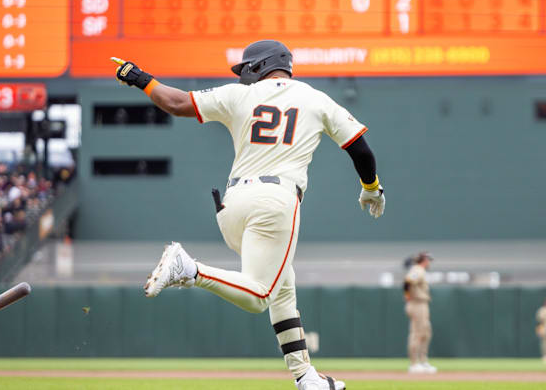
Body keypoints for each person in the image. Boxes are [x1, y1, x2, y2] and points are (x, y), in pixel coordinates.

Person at [112, 40, 385, 390]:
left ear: (259, 66)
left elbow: (176, 102)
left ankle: (305, 377)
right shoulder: (316, 99)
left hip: (232, 205)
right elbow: (361, 149)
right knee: (260, 296)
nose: (243, 76)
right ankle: (190, 269)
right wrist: (371, 187)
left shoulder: (239, 97)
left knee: (283, 288)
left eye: (245, 69)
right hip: (275, 201)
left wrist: (140, 78)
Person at [404, 252, 436, 373]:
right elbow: (407, 282)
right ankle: (414, 363)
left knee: (426, 332)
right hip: (416, 303)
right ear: (423, 260)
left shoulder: (420, 270)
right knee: (417, 333)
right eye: (428, 260)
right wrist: (407, 295)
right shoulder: (417, 269)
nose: (429, 262)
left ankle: (423, 361)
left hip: (422, 303)